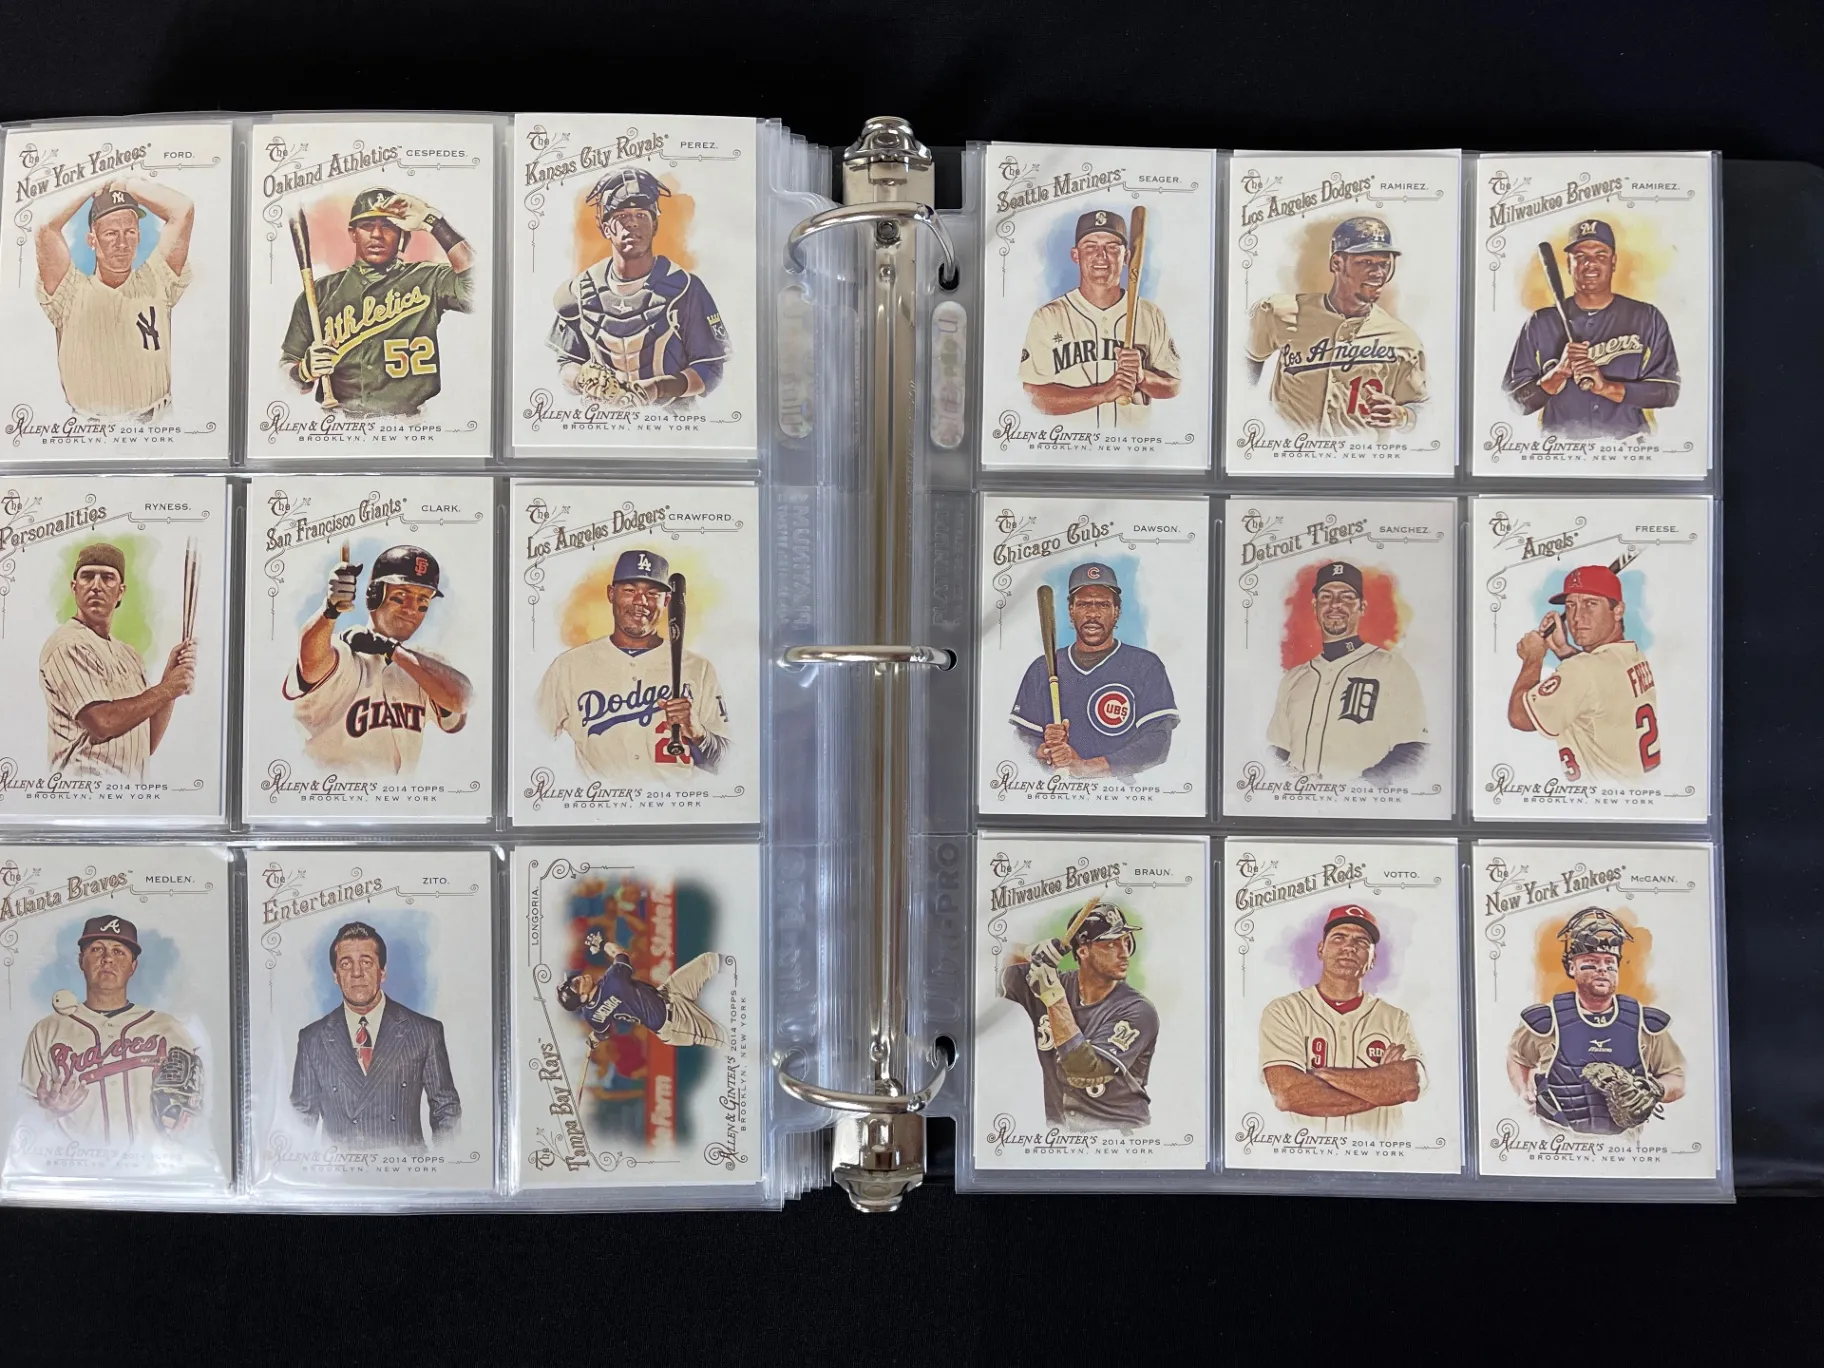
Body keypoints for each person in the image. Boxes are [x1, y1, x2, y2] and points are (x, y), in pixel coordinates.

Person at [536, 549, 730, 780]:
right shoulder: (568, 666)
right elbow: (530, 741)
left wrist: (698, 734)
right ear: (611, 594)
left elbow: (728, 765)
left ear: (667, 601)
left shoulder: (698, 669)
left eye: (652, 593)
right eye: (629, 590)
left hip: (674, 801)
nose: (640, 601)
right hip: (598, 799)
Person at [282, 187, 476, 417]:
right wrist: (303, 372)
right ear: (353, 234)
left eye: (387, 226)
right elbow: (285, 376)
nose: (376, 234)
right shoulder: (320, 293)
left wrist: (433, 221)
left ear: (402, 234)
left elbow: (479, 287)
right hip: (340, 423)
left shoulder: (428, 279)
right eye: (367, 226)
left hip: (412, 423)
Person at [284, 544, 470, 775]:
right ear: (374, 595)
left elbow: (461, 701)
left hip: (399, 797)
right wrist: (329, 610)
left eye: (422, 601)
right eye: (401, 597)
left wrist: (390, 649)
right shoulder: (344, 652)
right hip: (330, 792)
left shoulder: (422, 667)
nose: (411, 609)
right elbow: (311, 659)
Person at [18, 914, 203, 1147]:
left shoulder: (168, 1028)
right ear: (81, 960)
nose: (107, 959)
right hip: (74, 1161)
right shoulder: (48, 1030)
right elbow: (22, 1118)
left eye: (119, 952)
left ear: (133, 966)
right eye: (97, 949)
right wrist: (48, 1112)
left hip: (150, 1162)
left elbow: (198, 1107)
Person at [551, 168, 728, 406]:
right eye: (622, 215)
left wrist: (659, 387)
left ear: (655, 225)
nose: (632, 223)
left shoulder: (686, 288)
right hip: (600, 419)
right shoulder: (581, 290)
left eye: (642, 215)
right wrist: (582, 378)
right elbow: (565, 363)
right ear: (605, 228)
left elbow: (711, 370)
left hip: (669, 418)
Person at [1507, 908, 1686, 1135]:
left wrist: (1657, 1089)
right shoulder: (1546, 1019)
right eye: (1591, 963)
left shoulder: (1644, 1022)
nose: (1602, 969)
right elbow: (1517, 1057)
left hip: (1625, 1143)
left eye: (1609, 963)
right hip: (1557, 1137)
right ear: (1572, 967)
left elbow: (1677, 1077)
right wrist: (1524, 1091)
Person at [1245, 216, 1427, 435]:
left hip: (1359, 453)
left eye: (1384, 264)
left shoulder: (1403, 339)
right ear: (1337, 263)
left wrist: (1404, 416)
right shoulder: (1278, 312)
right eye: (1366, 262)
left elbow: (1424, 408)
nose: (1378, 273)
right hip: (1290, 449)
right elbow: (1244, 365)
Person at [1502, 219, 1681, 438]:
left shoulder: (1647, 317)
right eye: (1580, 257)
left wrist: (1607, 388)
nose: (1590, 264)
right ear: (1569, 264)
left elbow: (1668, 391)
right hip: (1561, 448)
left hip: (1627, 446)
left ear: (1613, 262)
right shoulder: (1541, 322)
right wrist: (1557, 376)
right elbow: (1514, 402)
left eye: (1600, 255)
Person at [34, 179, 196, 420]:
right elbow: (45, 227)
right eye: (111, 233)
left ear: (138, 236)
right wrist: (95, 183)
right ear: (92, 240)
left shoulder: (156, 279)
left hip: (156, 424)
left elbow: (183, 209)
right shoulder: (69, 290)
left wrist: (127, 184)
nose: (122, 243)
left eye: (129, 232)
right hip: (88, 430)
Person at [290, 922, 461, 1149]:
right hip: (341, 1169)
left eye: (366, 962)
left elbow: (446, 1111)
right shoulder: (312, 1039)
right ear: (335, 976)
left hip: (404, 1168)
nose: (357, 973)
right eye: (346, 964)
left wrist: (444, 1163)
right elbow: (299, 1121)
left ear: (383, 972)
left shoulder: (424, 1032)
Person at [1258, 905, 1423, 1135]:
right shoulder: (1285, 1011)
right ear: (1321, 949)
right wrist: (1382, 1090)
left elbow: (1408, 1084)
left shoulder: (1396, 1019)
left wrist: (1323, 1076)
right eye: (1339, 937)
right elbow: (1287, 1094)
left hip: (1376, 1150)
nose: (1349, 947)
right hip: (1305, 1149)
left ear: (1373, 959)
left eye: (1361, 942)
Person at [1000, 898, 1158, 1132]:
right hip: (1060, 1134)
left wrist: (1054, 998)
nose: (1124, 953)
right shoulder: (1050, 982)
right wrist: (1028, 951)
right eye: (1111, 944)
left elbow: (1086, 1072)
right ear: (1083, 951)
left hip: (1119, 1135)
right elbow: (982, 964)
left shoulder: (1138, 1010)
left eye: (1126, 942)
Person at [38, 542, 194, 778]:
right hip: (82, 788)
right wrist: (167, 688)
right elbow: (103, 723)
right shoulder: (68, 644)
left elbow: (146, 743)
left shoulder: (129, 655)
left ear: (121, 592)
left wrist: (169, 681)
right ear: (74, 587)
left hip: (128, 791)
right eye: (87, 576)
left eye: (107, 577)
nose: (96, 586)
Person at [1009, 562, 1178, 779]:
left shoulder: (1144, 665)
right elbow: (1022, 742)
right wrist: (1047, 750)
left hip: (1122, 792)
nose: (1093, 614)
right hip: (1058, 791)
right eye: (1083, 604)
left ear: (1116, 612)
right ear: (1071, 611)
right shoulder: (1042, 668)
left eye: (1103, 605)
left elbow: (1157, 743)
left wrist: (1087, 767)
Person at [1268, 560, 1428, 784]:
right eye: (1326, 596)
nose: (1335, 604)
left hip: (1360, 803)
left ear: (1361, 607)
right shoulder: (1294, 678)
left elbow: (1414, 748)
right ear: (1315, 606)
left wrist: (1357, 790)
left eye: (1346, 597)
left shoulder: (1390, 667)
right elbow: (1277, 750)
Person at [1019, 209, 1181, 426]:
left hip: (1133, 442)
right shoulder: (1048, 317)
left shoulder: (1150, 314)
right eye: (1090, 246)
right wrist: (1102, 394)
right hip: (1072, 441)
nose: (1101, 255)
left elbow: (1173, 386)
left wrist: (1143, 378)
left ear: (1127, 257)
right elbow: (1034, 396)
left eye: (1112, 247)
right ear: (1075, 255)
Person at [1507, 563, 1659, 783]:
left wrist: (1533, 657)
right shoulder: (1632, 655)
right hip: (1637, 789)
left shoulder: (1582, 671)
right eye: (1571, 605)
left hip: (1602, 796)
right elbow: (1595, 683)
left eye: (1590, 604)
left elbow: (1520, 717)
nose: (1577, 617)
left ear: (1618, 610)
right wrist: (1563, 650)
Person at [555, 929, 727, 1050]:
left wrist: (594, 1038)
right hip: (675, 1023)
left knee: (708, 962)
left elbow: (603, 1033)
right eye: (576, 985)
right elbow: (620, 953)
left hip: (666, 993)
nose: (578, 979)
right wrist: (602, 944)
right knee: (725, 1038)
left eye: (573, 979)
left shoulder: (590, 1015)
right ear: (582, 997)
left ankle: (740, 967)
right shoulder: (613, 981)